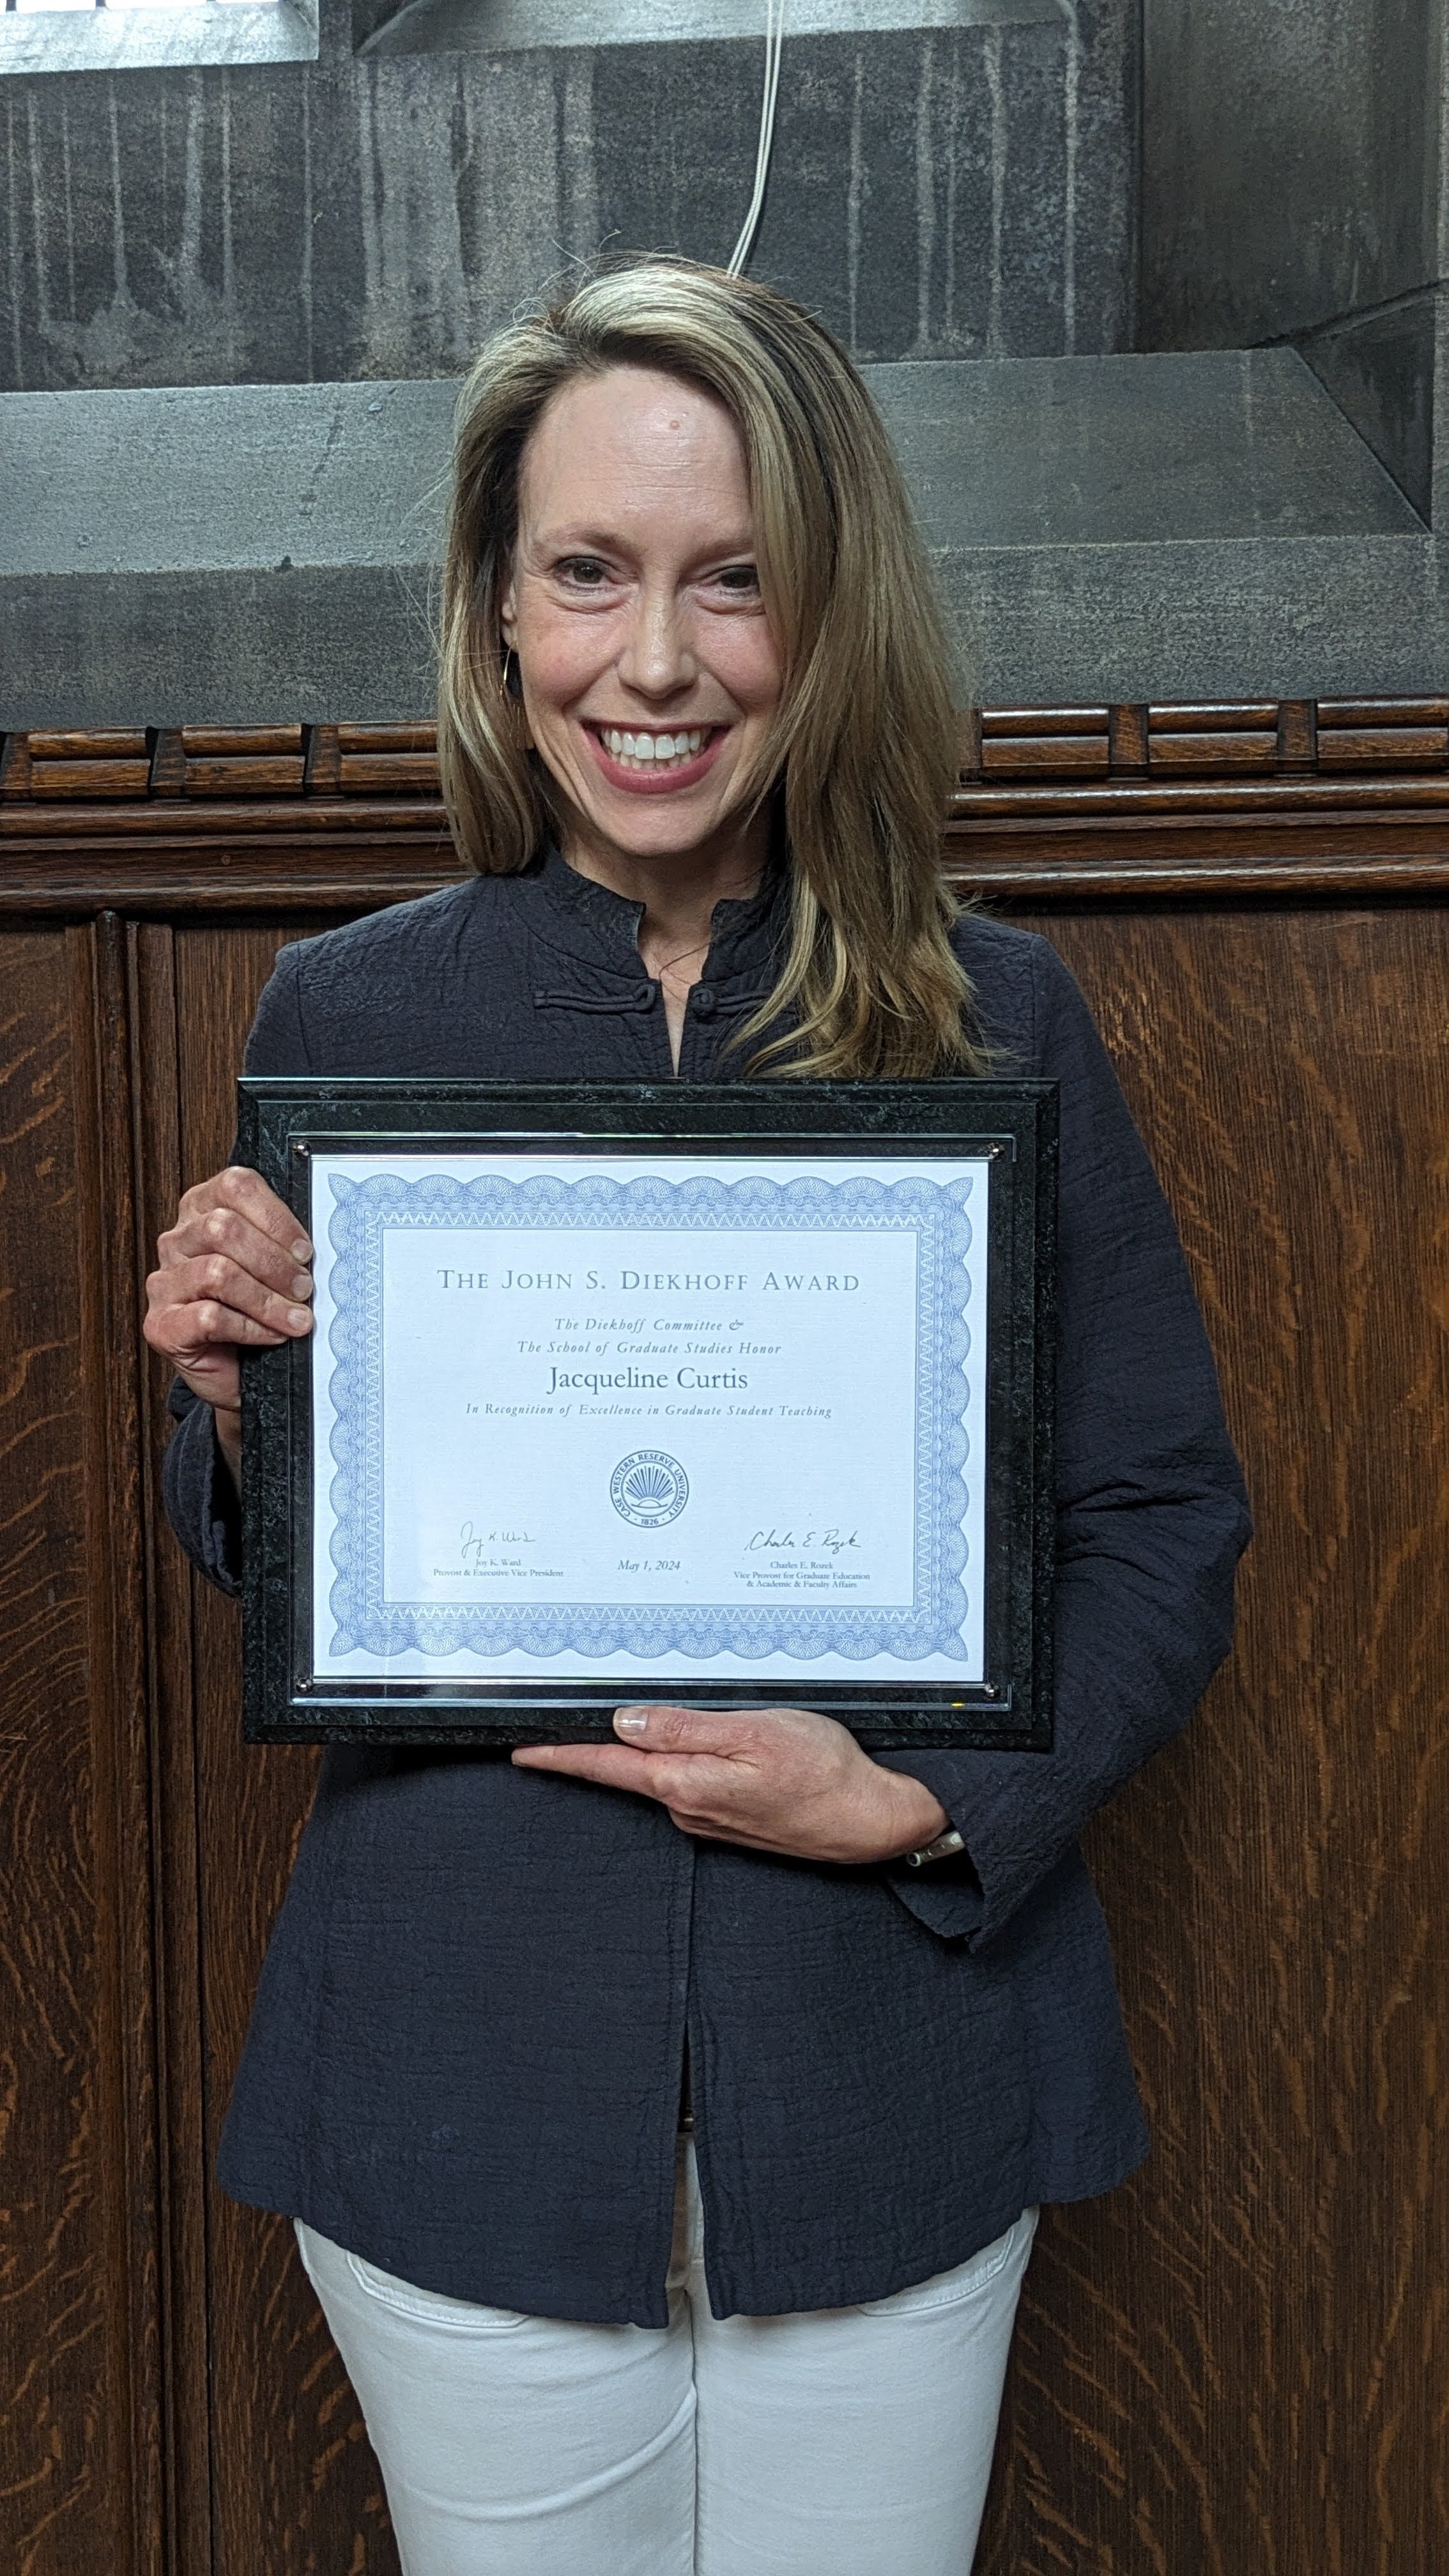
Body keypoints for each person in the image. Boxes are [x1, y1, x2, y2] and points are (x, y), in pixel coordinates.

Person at [144, 259, 1252, 2576]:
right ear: (496, 602)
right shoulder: (352, 1010)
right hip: (459, 2065)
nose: (654, 663)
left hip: (892, 2055)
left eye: (735, 582)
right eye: (588, 572)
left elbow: (1157, 1513)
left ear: (830, 614)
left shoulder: (1000, 1021)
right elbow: (306, 1551)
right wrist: (244, 1402)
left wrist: (926, 1804)